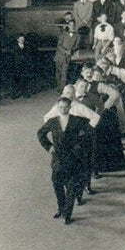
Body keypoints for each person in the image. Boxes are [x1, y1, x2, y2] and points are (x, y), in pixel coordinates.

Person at [37, 96, 89, 224]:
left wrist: (79, 146)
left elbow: (88, 133)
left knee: (71, 187)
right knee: (57, 185)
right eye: (60, 107)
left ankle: (68, 214)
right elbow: (40, 133)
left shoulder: (77, 121)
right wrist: (49, 147)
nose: (63, 109)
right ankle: (61, 208)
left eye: (66, 107)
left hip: (73, 159)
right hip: (58, 160)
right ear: (57, 107)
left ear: (70, 108)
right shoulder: (52, 121)